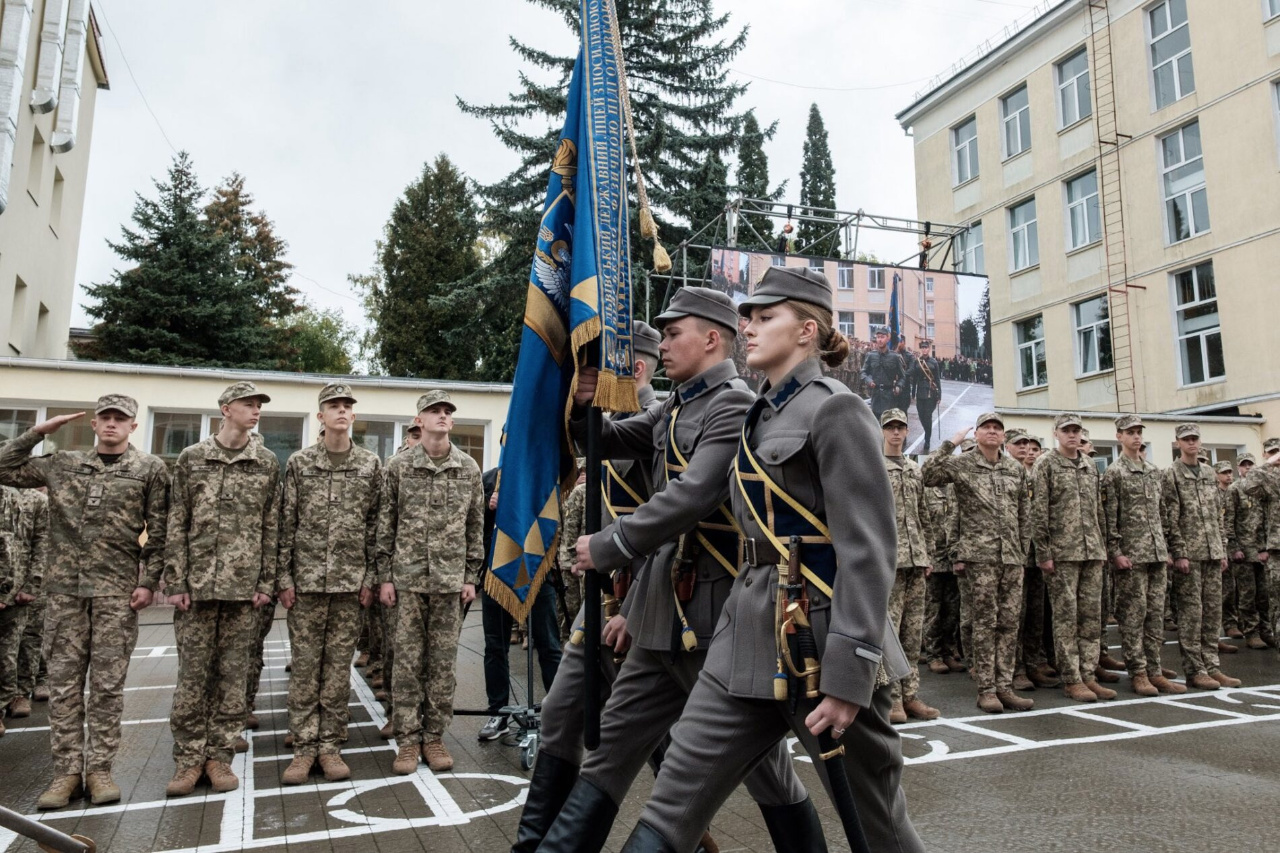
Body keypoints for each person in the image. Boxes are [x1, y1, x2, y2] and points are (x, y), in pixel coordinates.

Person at [609, 268, 923, 853]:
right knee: (673, 801)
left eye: (764, 316)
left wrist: (849, 675)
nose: (748, 327)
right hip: (745, 633)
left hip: (820, 638)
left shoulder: (837, 410)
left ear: (807, 330)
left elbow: (867, 552)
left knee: (877, 825)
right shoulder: (756, 413)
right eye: (747, 317)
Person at [536, 284, 815, 853]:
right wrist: (582, 405)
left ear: (711, 339)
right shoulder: (676, 406)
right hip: (662, 616)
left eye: (672, 334)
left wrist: (610, 544)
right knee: (611, 751)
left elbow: (692, 494)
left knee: (768, 774)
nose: (662, 345)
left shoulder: (733, 403)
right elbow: (605, 440)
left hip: (712, 618)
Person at [0, 396, 169, 808]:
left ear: (133, 426)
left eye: (120, 419)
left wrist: (148, 582)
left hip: (116, 593)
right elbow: (4, 467)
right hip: (64, 594)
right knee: (64, 687)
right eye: (105, 418)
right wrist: (38, 432)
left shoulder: (149, 469)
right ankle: (65, 774)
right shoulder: (62, 463)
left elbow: (160, 530)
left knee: (108, 688)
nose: (112, 424)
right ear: (94, 424)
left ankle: (100, 771)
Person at [165, 382, 279, 797]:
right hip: (196, 590)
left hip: (243, 591)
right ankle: (188, 759)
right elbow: (177, 521)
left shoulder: (266, 462)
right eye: (248, 404)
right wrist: (175, 580)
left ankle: (219, 757)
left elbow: (271, 525)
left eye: (258, 405)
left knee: (233, 678)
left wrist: (266, 583)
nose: (255, 410)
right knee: (192, 679)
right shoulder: (192, 458)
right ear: (226, 409)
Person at [277, 383, 382, 784]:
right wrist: (284, 577)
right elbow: (287, 523)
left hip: (349, 586)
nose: (341, 411)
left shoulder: (370, 464)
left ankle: (331, 746)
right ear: (320, 416)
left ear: (353, 416)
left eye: (346, 406)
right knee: (305, 669)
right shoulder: (300, 463)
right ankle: (304, 748)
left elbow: (375, 527)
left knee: (338, 671)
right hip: (305, 585)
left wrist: (370, 578)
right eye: (333, 406)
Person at [378, 390, 485, 775]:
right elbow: (385, 525)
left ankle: (434, 737)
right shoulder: (399, 467)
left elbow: (475, 525)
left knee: (442, 665)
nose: (441, 416)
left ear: (452, 421)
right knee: (406, 664)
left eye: (446, 412)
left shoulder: (468, 467)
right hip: (407, 581)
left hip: (450, 582)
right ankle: (407, 741)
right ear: (418, 420)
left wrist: (471, 576)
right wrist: (385, 577)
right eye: (433, 411)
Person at [923, 414, 1031, 714]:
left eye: (997, 428)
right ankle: (986, 690)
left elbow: (1024, 513)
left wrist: (1021, 551)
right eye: (987, 428)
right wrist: (951, 443)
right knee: (984, 624)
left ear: (1003, 436)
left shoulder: (1014, 468)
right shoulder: (963, 464)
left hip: (1011, 557)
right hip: (980, 557)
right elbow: (927, 475)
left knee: (1009, 624)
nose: (993, 432)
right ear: (978, 434)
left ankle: (1005, 686)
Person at [1030, 413, 1113, 704]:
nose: (1072, 435)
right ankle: (1072, 679)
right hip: (1063, 553)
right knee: (1066, 618)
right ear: (1056, 433)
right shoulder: (1046, 464)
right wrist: (1044, 552)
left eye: (1076, 430)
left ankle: (1088, 674)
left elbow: (1098, 510)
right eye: (1067, 430)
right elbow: (1038, 511)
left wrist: (1102, 547)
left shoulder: (1090, 465)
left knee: (1091, 618)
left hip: (1092, 551)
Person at [1101, 415, 1184, 696]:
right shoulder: (1114, 473)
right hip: (1132, 556)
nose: (1136, 437)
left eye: (1138, 432)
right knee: (1133, 617)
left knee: (1155, 616)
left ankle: (1154, 670)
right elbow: (1109, 517)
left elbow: (1162, 514)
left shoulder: (1152, 470)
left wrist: (1168, 548)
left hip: (1156, 554)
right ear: (1119, 437)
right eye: (1130, 432)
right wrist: (1116, 552)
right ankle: (1138, 673)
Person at [479, 466, 561, 744]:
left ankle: (558, 714)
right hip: (497, 571)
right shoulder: (489, 480)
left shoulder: (540, 472)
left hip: (535, 570)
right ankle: (498, 713)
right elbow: (470, 522)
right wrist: (488, 505)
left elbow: (554, 521)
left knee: (549, 645)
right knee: (495, 646)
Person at [1163, 423, 1239, 690]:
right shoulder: (1172, 474)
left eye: (1195, 438)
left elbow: (1218, 514)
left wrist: (1222, 549)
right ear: (1178, 443)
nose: (1192, 443)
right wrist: (1179, 552)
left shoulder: (1208, 473)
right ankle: (1195, 670)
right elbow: (1171, 517)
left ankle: (1212, 666)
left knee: (1212, 613)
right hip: (1190, 555)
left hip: (1212, 552)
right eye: (1186, 439)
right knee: (1191, 615)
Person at [879, 408, 939, 724]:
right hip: (890, 561)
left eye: (900, 427)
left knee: (912, 635)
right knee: (890, 633)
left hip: (916, 561)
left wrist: (927, 554)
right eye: (890, 427)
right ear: (882, 431)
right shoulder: (874, 466)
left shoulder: (915, 469)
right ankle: (892, 699)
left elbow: (923, 514)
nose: (896, 433)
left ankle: (911, 695)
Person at [1005, 429, 1057, 692]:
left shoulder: (1036, 474)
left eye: (1028, 444)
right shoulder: (1006, 473)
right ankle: (1016, 669)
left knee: (1036, 614)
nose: (1025, 448)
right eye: (1019, 444)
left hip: (1037, 554)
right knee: (1016, 616)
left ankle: (1034, 662)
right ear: (1008, 446)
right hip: (1015, 555)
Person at [11, 487, 49, 716]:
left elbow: (43, 543)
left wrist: (34, 582)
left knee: (31, 636)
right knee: (10, 642)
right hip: (7, 578)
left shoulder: (38, 501)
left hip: (30, 579)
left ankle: (24, 691)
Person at [860, 325, 903, 421]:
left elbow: (902, 377)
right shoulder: (871, 355)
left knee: (887, 424)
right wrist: (868, 380)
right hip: (875, 396)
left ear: (888, 339)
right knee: (875, 425)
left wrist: (898, 386)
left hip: (889, 397)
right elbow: (863, 372)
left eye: (882, 337)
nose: (880, 340)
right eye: (878, 337)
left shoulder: (895, 357)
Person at [911, 341, 942, 453]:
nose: (924, 349)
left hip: (930, 393)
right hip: (920, 392)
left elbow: (937, 379)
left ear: (929, 349)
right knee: (921, 415)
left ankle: (927, 439)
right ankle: (927, 430)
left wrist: (939, 395)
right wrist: (913, 392)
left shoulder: (934, 362)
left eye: (926, 347)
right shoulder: (917, 362)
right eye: (922, 348)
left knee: (927, 416)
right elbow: (914, 379)